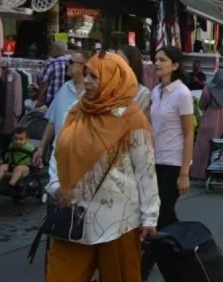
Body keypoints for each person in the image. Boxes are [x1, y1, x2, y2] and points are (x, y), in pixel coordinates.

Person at [45, 52, 159, 281]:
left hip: (119, 221)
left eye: (94, 76)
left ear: (113, 79)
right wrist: (56, 185)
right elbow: (59, 151)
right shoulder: (77, 111)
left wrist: (150, 217)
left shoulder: (132, 119)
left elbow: (145, 171)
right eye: (86, 74)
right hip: (74, 215)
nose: (86, 80)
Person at [142, 46, 195, 278]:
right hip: (153, 161)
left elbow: (189, 134)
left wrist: (184, 173)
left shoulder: (182, 93)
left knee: (160, 217)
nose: (157, 63)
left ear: (175, 65)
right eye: (155, 59)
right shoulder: (156, 91)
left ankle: (142, 270)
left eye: (162, 60)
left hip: (173, 163)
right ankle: (188, 256)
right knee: (164, 218)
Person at [33, 50, 87, 168]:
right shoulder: (64, 88)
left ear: (84, 66)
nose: (67, 64)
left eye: (71, 62)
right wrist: (41, 148)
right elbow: (52, 122)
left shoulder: (94, 92)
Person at [190, 70, 223, 180]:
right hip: (222, 124)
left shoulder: (208, 88)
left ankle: (199, 173)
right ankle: (215, 174)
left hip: (208, 121)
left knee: (202, 148)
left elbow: (201, 105)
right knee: (217, 149)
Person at [0, 127, 33, 191]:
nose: (18, 141)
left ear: (27, 139)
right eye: (16, 139)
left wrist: (37, 163)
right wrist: (3, 160)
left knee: (18, 168)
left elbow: (35, 156)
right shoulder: (12, 145)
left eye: (21, 139)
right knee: (2, 167)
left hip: (25, 166)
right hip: (13, 164)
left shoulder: (30, 148)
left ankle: (11, 185)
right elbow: (9, 154)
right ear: (13, 139)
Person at [117, 44, 151, 113]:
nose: (116, 63)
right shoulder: (110, 88)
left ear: (133, 63)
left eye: (121, 60)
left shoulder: (143, 93)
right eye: (115, 59)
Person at [38, 41, 68, 107]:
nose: (50, 51)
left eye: (51, 49)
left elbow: (44, 84)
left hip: (51, 101)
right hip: (66, 100)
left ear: (56, 50)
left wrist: (39, 100)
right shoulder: (70, 63)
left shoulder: (52, 64)